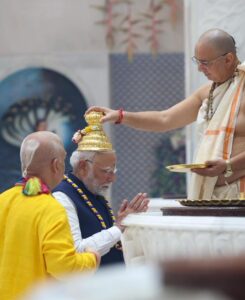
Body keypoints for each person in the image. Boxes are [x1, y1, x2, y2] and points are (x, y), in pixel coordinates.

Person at [87, 28, 245, 200]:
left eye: (205, 63)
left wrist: (229, 165)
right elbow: (164, 119)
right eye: (197, 62)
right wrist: (120, 116)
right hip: (213, 195)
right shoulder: (207, 93)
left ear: (228, 59)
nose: (200, 69)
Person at [0, 131, 100, 300]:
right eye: (63, 160)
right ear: (56, 165)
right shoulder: (51, 208)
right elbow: (63, 268)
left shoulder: (3, 200)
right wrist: (91, 259)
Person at [53, 111, 149, 266]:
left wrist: (125, 224)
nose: (112, 178)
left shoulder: (92, 192)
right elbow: (76, 252)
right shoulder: (62, 196)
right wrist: (118, 227)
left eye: (113, 172)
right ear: (83, 166)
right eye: (106, 171)